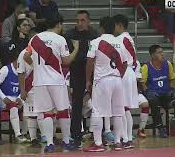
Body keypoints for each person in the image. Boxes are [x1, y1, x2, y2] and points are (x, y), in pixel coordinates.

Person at [23, 14, 79, 152]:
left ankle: (49, 143)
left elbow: (25, 56)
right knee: (63, 110)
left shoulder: (35, 38)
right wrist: (76, 49)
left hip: (40, 81)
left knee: (46, 113)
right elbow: (66, 62)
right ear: (59, 24)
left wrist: (37, 67)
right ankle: (66, 141)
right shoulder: (60, 39)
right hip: (56, 80)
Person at [84, 16, 128, 152]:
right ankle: (118, 142)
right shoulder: (120, 43)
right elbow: (125, 63)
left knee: (97, 111)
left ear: (101, 27)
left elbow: (90, 61)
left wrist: (88, 80)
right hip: (117, 80)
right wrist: (119, 75)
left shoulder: (96, 42)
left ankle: (98, 143)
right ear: (114, 27)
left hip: (102, 80)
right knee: (118, 112)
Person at [63, 10, 98, 147]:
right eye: (77, 20)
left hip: (93, 71)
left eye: (82, 20)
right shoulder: (70, 35)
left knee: (98, 103)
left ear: (88, 21)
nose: (79, 23)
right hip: (76, 70)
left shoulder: (94, 35)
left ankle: (98, 134)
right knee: (76, 104)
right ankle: (75, 135)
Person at [113, 14, 149, 145]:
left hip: (124, 72)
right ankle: (127, 137)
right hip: (129, 72)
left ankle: (125, 137)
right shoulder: (127, 38)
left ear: (119, 25)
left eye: (114, 26)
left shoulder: (122, 39)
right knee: (125, 108)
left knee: (121, 108)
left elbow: (121, 60)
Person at [141, 45, 175, 138]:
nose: (162, 54)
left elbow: (172, 79)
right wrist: (147, 91)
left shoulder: (168, 64)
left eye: (162, 52)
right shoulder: (146, 67)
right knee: (153, 99)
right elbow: (142, 83)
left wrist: (172, 89)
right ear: (153, 55)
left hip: (166, 95)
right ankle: (160, 128)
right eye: (159, 52)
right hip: (154, 95)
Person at [0, 43, 28, 143]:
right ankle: (18, 135)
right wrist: (3, 97)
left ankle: (25, 133)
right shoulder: (6, 69)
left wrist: (20, 98)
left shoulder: (25, 71)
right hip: (4, 99)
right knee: (13, 107)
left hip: (17, 98)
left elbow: (25, 88)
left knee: (28, 106)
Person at [17, 46, 44, 146]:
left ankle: (48, 137)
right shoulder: (23, 53)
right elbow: (20, 72)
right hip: (30, 87)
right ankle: (33, 139)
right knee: (31, 113)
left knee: (45, 112)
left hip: (44, 85)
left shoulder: (45, 50)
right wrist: (22, 90)